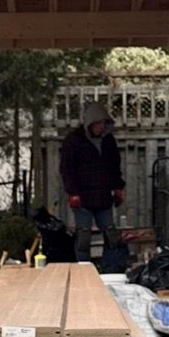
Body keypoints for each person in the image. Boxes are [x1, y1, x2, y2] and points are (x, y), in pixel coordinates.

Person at [58, 101, 125, 263]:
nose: (100, 127)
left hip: (104, 196)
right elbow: (67, 169)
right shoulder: (73, 141)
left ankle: (110, 270)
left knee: (111, 235)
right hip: (82, 197)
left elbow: (115, 166)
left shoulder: (109, 141)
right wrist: (72, 192)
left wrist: (117, 187)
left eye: (103, 123)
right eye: (97, 123)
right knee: (84, 237)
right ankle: (83, 270)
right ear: (89, 123)